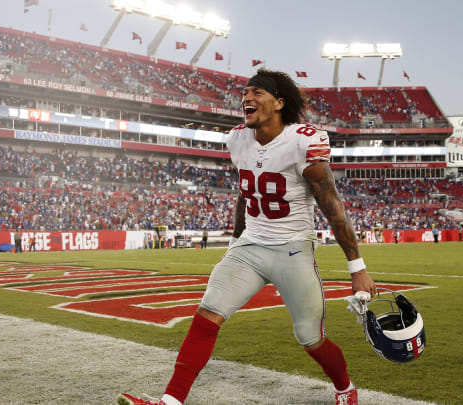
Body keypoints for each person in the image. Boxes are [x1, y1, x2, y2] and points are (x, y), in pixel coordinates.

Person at [118, 69, 377, 405]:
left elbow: (332, 205)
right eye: (245, 92)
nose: (247, 98)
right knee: (208, 313)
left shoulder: (304, 141)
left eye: (257, 92)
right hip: (250, 247)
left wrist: (357, 268)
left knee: (310, 338)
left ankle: (344, 387)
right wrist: (235, 242)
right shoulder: (238, 139)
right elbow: (245, 192)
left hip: (292, 251)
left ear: (279, 103)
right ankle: (170, 401)